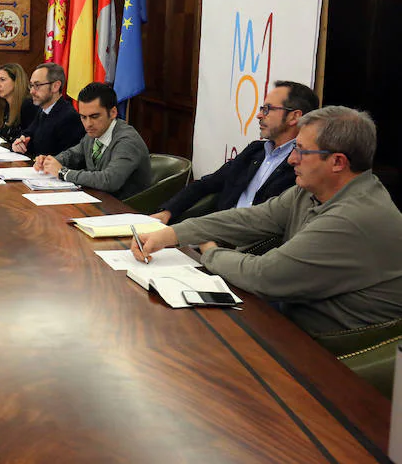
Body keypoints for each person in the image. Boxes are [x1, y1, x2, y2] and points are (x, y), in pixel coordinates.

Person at [132, 106, 402, 335]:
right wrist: (172, 234)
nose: (292, 159)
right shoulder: (310, 190)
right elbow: (249, 219)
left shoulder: (351, 219)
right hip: (290, 313)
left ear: (337, 162)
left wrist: (211, 252)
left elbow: (264, 276)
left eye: (302, 151)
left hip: (329, 344)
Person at [153, 81, 319, 224]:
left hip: (249, 248)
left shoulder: (303, 165)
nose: (259, 115)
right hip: (215, 233)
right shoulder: (255, 151)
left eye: (268, 109)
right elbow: (207, 184)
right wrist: (167, 212)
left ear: (294, 117)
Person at [35, 82, 151, 198]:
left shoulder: (128, 141)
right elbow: (72, 155)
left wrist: (63, 173)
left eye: (94, 117)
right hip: (97, 202)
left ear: (113, 113)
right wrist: (50, 162)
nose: (88, 124)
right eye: (83, 117)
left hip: (126, 209)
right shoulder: (94, 134)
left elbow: (109, 180)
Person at [11, 62, 83, 157]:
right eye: (31, 85)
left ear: (55, 86)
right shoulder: (42, 110)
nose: (32, 91)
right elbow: (28, 133)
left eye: (37, 85)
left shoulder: (69, 117)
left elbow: (67, 160)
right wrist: (19, 142)